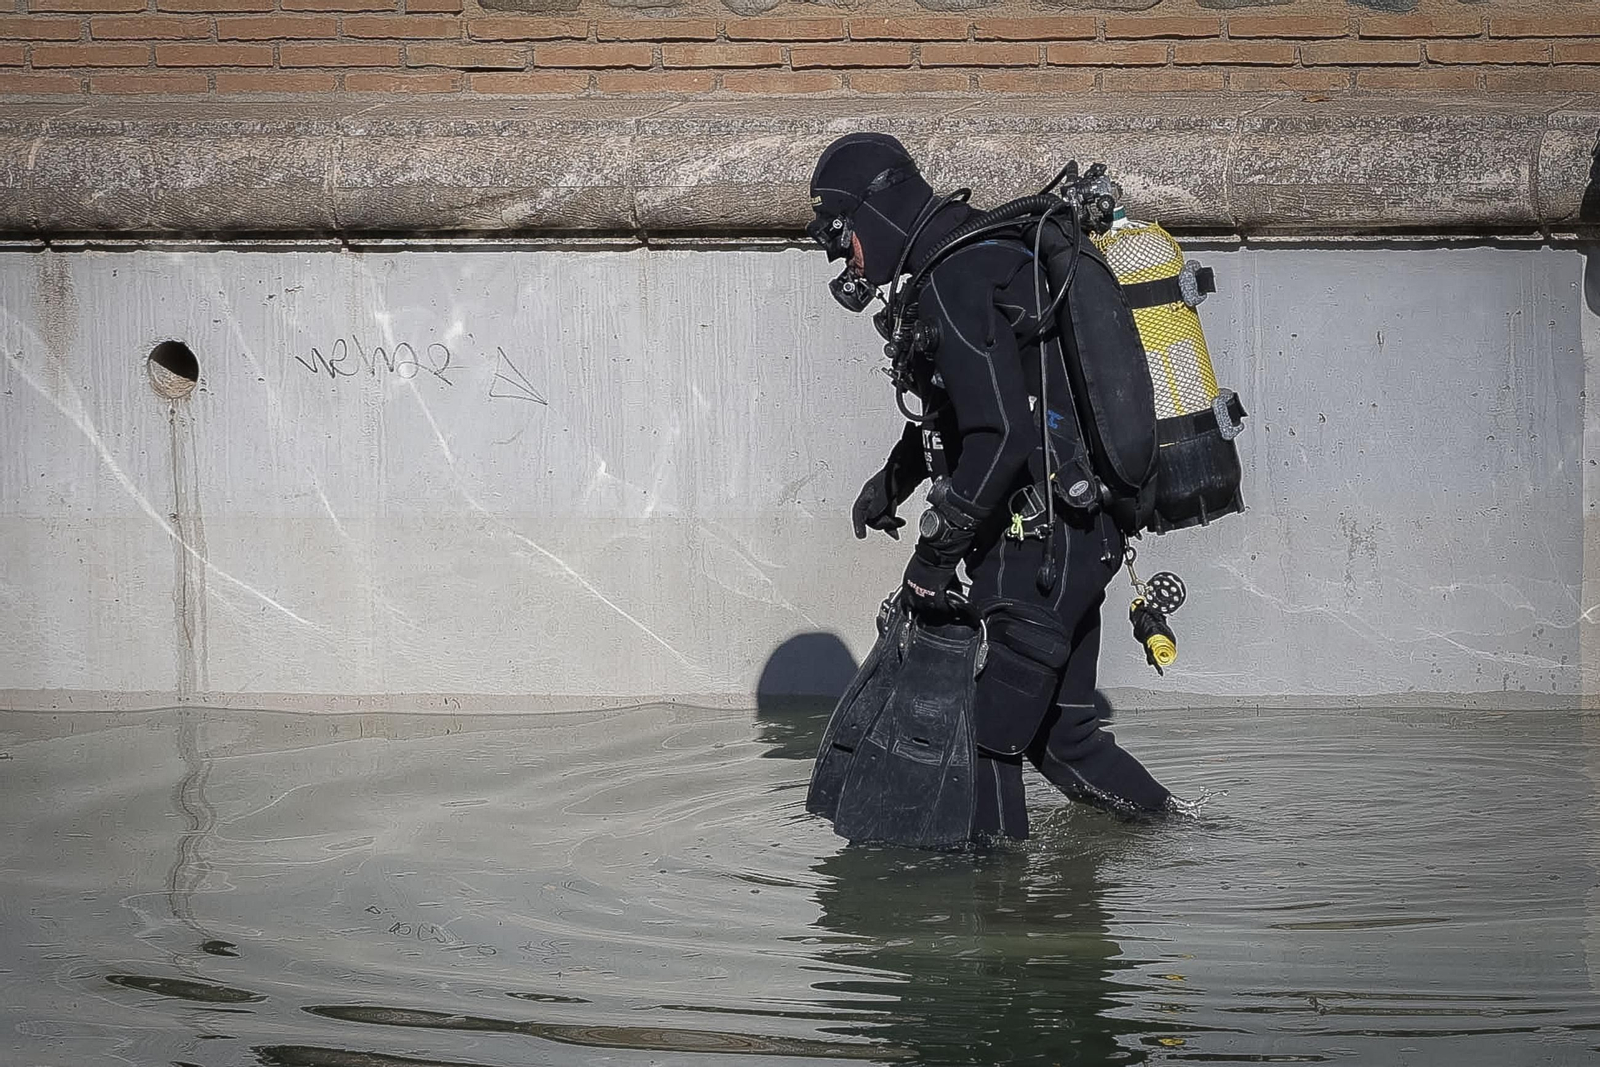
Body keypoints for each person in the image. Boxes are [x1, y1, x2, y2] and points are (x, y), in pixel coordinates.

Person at [807, 132, 1173, 840]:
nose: (839, 255)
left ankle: (1003, 925)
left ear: (874, 213)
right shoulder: (975, 256)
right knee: (1066, 741)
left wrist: (932, 558)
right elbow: (980, 405)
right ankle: (1193, 840)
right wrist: (895, 479)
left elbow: (1001, 433)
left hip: (1037, 552)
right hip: (1077, 534)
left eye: (840, 232)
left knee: (976, 733)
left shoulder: (952, 277)